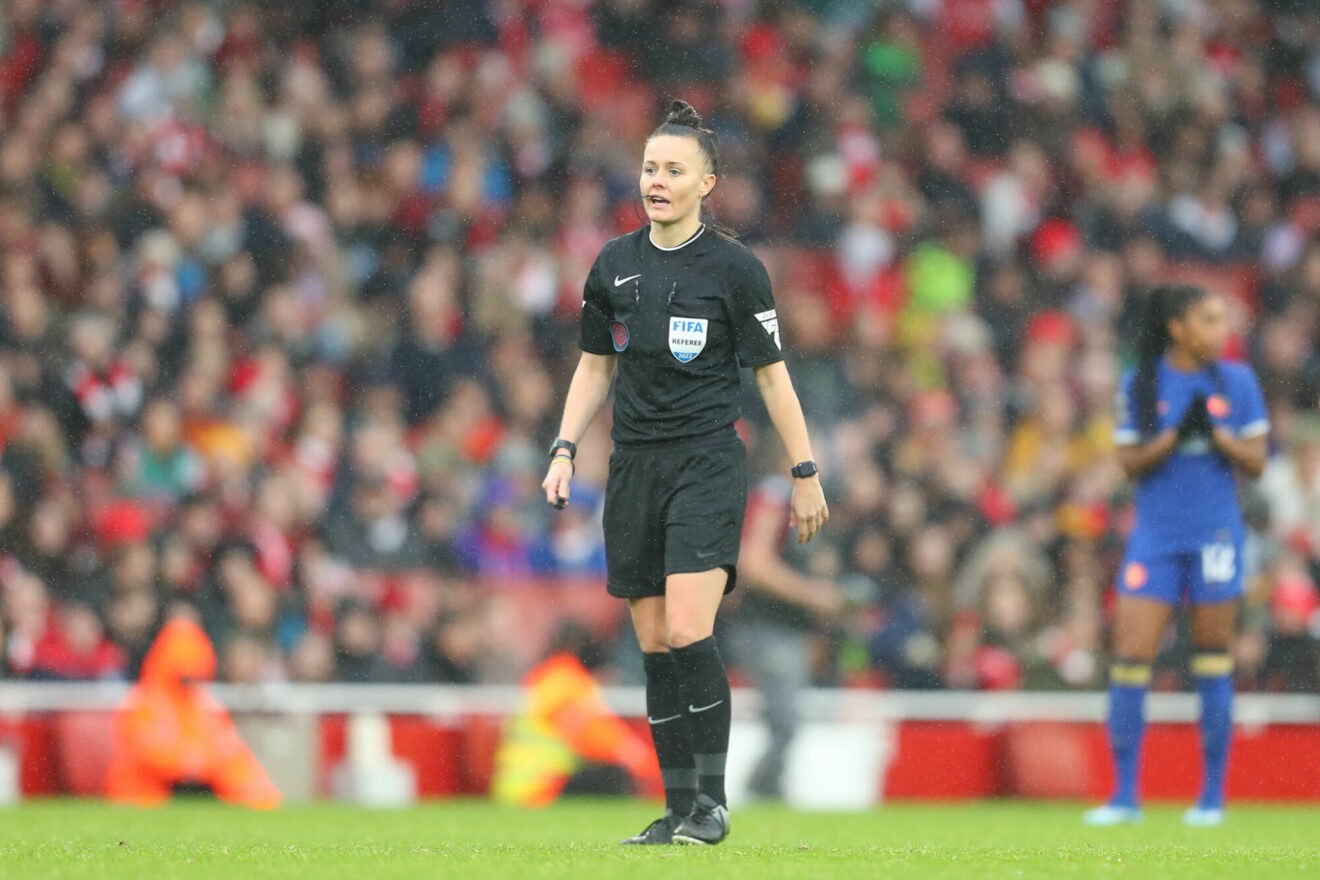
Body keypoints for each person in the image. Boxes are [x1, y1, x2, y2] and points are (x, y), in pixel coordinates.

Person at [541, 99, 828, 845]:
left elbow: (772, 379)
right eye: (649, 168)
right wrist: (565, 448)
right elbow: (593, 368)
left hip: (706, 462)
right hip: (634, 467)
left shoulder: (735, 270)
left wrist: (804, 470)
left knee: (690, 629)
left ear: (707, 183)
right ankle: (676, 810)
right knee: (654, 644)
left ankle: (713, 800)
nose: (657, 181)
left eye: (673, 170)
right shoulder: (614, 266)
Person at [1084, 285, 1268, 828]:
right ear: (1177, 327)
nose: (1222, 330)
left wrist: (1218, 437)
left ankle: (1211, 799)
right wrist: (1170, 437)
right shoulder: (1139, 383)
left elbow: (1256, 461)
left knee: (1212, 658)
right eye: (1209, 320)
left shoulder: (1238, 380)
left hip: (1215, 535)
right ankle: (1124, 798)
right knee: (1130, 658)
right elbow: (1127, 462)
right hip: (1156, 536)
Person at [726, 453, 843, 801]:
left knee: (785, 719)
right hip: (765, 624)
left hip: (787, 628)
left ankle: (766, 788)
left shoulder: (792, 497)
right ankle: (759, 789)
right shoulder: (776, 494)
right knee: (784, 720)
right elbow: (754, 562)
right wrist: (812, 595)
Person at [105, 614, 282, 809]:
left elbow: (231, 752)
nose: (189, 680)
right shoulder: (143, 702)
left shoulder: (204, 703)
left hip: (196, 788)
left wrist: (257, 791)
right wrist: (194, 763)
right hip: (146, 795)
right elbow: (148, 752)